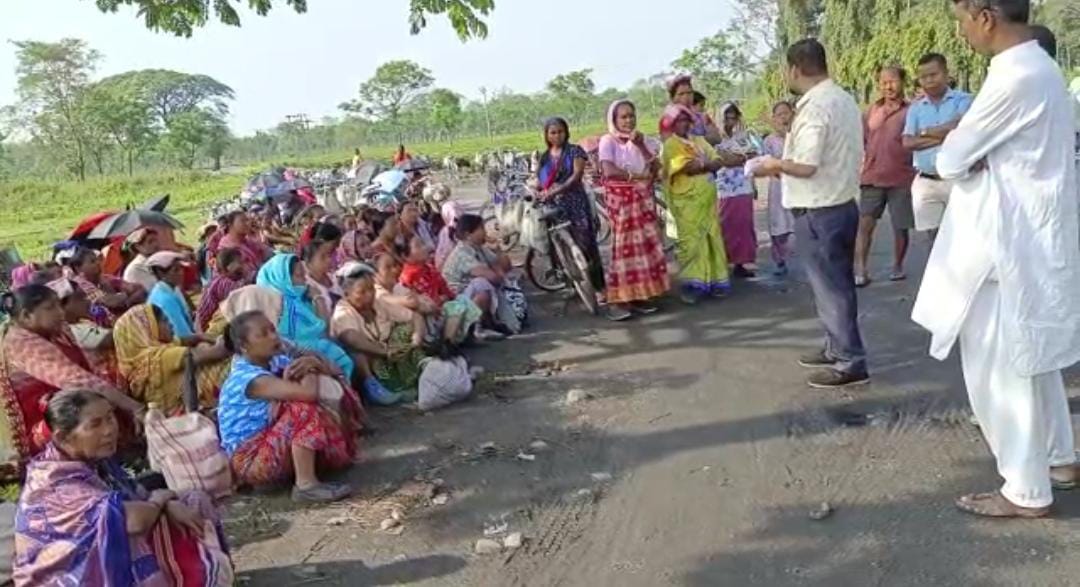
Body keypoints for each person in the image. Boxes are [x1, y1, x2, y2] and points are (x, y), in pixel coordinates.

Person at [912, 5, 1080, 518]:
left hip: (1002, 243)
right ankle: (1059, 458)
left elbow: (949, 159)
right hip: (1026, 236)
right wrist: (972, 144)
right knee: (1031, 357)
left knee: (998, 366)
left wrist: (964, 142)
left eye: (963, 17)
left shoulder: (1013, 75)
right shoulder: (1041, 68)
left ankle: (1025, 488)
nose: (961, 30)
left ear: (986, 16)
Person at [14, 390, 233, 586]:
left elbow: (137, 496)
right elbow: (132, 520)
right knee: (121, 530)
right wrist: (160, 499)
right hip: (65, 579)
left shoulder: (95, 462)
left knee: (192, 501)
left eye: (110, 417)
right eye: (95, 424)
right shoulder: (54, 482)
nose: (110, 429)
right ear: (63, 437)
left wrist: (168, 502)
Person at [751, 38, 869, 388]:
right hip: (839, 203)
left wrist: (771, 163)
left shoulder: (817, 107)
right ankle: (837, 347)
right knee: (832, 285)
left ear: (794, 68)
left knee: (832, 288)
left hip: (821, 209)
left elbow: (805, 165)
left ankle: (851, 361)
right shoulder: (842, 99)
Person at [0, 285, 143, 475]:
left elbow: (87, 367)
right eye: (50, 308)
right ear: (26, 316)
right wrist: (135, 408)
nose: (60, 312)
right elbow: (80, 380)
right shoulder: (20, 343)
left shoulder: (57, 330)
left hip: (73, 409)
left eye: (59, 305)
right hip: (47, 426)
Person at [218, 311, 358, 502]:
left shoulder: (275, 360)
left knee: (336, 388)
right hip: (251, 459)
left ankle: (316, 467)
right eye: (263, 334)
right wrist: (309, 369)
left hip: (270, 442)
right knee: (302, 408)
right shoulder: (249, 378)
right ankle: (306, 485)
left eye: (273, 330)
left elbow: (335, 372)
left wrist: (314, 363)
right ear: (244, 346)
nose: (274, 336)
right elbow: (307, 394)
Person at [536, 117, 615, 317]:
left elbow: (576, 177)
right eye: (552, 132)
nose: (557, 135)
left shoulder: (575, 151)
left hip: (575, 204)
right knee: (559, 245)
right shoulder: (544, 157)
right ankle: (572, 282)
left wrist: (555, 191)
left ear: (566, 132)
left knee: (586, 246)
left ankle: (600, 288)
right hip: (553, 207)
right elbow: (540, 181)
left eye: (560, 131)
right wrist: (538, 191)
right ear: (546, 135)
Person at [597, 99, 669, 315]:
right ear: (614, 119)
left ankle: (641, 294)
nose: (628, 120)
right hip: (622, 201)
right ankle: (620, 299)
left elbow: (656, 168)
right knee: (624, 248)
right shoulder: (608, 141)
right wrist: (636, 176)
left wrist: (640, 146)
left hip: (643, 199)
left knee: (644, 247)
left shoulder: (643, 140)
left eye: (631, 115)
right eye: (623, 116)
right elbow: (608, 170)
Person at [660, 103, 735, 304]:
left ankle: (716, 282)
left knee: (712, 238)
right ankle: (693, 285)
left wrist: (705, 165)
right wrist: (705, 165)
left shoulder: (699, 140)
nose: (683, 124)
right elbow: (687, 167)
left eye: (686, 120)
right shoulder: (670, 145)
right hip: (686, 203)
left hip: (707, 200)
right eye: (679, 121)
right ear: (671, 124)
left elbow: (717, 160)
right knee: (691, 242)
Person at [855, 66, 917, 286]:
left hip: (901, 177)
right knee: (865, 224)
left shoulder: (913, 110)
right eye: (883, 82)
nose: (888, 86)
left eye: (892, 81)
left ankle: (898, 266)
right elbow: (862, 141)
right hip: (872, 177)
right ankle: (861, 269)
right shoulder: (870, 112)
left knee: (900, 225)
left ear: (902, 82)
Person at [901, 54, 974, 237]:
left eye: (934, 74)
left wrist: (924, 132)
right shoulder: (916, 108)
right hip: (927, 183)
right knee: (932, 238)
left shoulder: (963, 100)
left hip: (959, 181)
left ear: (946, 73)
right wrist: (946, 136)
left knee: (963, 235)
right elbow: (907, 142)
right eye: (924, 77)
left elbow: (960, 127)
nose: (929, 80)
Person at [332, 262, 427, 402]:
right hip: (370, 360)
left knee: (405, 330)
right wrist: (385, 350)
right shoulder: (343, 310)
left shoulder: (378, 303)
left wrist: (416, 338)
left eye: (371, 289)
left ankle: (419, 375)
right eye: (362, 292)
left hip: (389, 357)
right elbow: (350, 337)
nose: (369, 295)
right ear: (347, 294)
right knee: (357, 353)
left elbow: (415, 317)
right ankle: (374, 388)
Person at [114, 304, 231, 414]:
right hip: (191, 411)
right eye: (164, 321)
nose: (170, 324)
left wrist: (199, 337)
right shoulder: (159, 358)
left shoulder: (139, 362)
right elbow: (219, 352)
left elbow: (183, 340)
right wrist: (219, 339)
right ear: (148, 330)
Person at [256, 253, 355, 381]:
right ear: (283, 279)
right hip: (296, 352)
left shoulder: (299, 299)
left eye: (304, 275)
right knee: (336, 354)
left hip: (308, 347)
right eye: (299, 275)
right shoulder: (284, 305)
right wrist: (318, 299)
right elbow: (321, 331)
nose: (305, 280)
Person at [441, 215, 523, 334]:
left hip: (468, 295)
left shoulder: (478, 248)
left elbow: (506, 266)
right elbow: (493, 277)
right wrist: (498, 272)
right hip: (457, 300)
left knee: (504, 281)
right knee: (482, 284)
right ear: (468, 234)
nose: (485, 232)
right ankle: (478, 328)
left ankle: (490, 322)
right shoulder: (462, 253)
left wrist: (498, 250)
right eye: (481, 229)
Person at [400, 236, 484, 344]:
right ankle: (447, 345)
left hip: (440, 305)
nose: (425, 248)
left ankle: (466, 338)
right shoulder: (408, 276)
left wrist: (447, 297)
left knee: (463, 301)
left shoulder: (429, 268)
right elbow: (422, 300)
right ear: (406, 256)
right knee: (456, 307)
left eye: (423, 244)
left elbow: (444, 287)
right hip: (428, 314)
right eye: (418, 246)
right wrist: (440, 300)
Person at [714, 101, 759, 278]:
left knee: (743, 225)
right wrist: (739, 158)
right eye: (727, 117)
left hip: (744, 186)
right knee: (726, 224)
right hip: (724, 188)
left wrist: (753, 183)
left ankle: (740, 263)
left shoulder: (743, 136)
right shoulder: (715, 138)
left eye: (734, 117)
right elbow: (723, 160)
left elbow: (753, 157)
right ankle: (723, 263)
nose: (730, 121)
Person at [47, 278, 119, 385]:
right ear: (62, 306)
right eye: (80, 298)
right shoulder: (73, 332)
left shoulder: (81, 323)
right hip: (109, 379)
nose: (88, 300)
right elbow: (115, 338)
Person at [68, 247, 145, 327]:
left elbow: (139, 289)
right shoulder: (80, 287)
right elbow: (110, 302)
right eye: (92, 261)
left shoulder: (107, 278)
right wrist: (126, 296)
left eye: (97, 259)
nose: (98, 263)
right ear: (78, 269)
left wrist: (124, 301)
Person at [763, 101, 797, 276]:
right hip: (777, 187)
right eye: (779, 114)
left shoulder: (797, 136)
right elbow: (766, 163)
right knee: (777, 224)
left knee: (794, 223)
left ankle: (794, 255)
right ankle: (779, 260)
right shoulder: (769, 140)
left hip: (796, 185)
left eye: (786, 113)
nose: (783, 117)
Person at [146, 251, 196, 339]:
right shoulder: (165, 300)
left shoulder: (173, 288)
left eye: (181, 268)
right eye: (176, 270)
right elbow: (183, 336)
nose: (181, 273)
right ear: (160, 273)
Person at [196, 247, 246, 332]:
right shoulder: (222, 282)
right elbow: (239, 293)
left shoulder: (221, 278)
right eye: (239, 263)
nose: (243, 266)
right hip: (207, 324)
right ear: (228, 266)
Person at [665, 76, 722, 142]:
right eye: (681, 94)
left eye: (689, 93)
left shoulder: (702, 117)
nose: (686, 97)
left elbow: (717, 138)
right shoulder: (669, 120)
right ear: (672, 98)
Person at [217, 211, 272, 279]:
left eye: (247, 220)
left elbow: (267, 253)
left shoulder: (248, 241)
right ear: (231, 225)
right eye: (243, 221)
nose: (248, 223)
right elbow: (241, 276)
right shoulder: (226, 248)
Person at [122, 228, 163, 293]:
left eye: (156, 240)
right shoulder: (136, 268)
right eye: (150, 242)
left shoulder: (157, 261)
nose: (156, 244)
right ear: (138, 246)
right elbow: (153, 290)